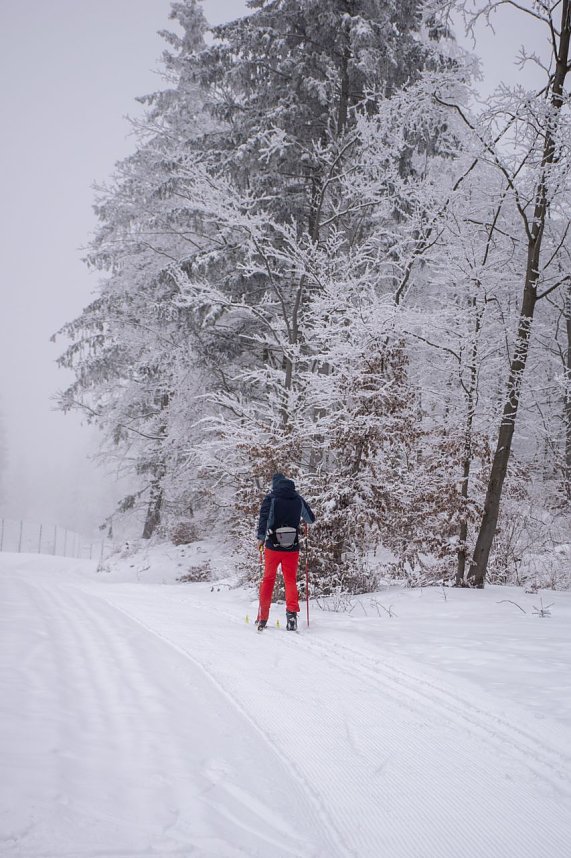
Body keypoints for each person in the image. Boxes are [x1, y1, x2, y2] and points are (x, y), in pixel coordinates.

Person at [256, 472, 315, 631]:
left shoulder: (271, 498)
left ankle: (263, 618)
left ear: (275, 485)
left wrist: (261, 538)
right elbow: (310, 519)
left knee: (268, 579)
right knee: (290, 580)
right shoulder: (297, 499)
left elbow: (263, 519)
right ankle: (292, 617)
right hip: (292, 547)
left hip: (272, 546)